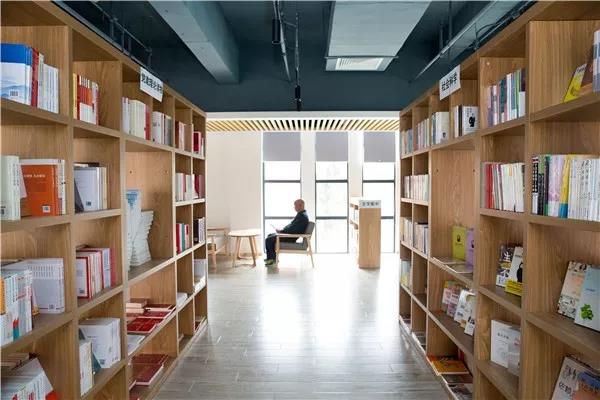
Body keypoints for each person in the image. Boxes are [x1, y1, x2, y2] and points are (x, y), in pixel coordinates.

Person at [264, 199, 309, 266]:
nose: (294, 207)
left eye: (295, 205)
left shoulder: (302, 216)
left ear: (300, 205)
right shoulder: (301, 214)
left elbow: (294, 229)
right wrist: (282, 230)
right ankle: (272, 258)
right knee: (270, 235)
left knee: (268, 240)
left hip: (290, 237)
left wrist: (282, 231)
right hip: (289, 234)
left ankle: (272, 260)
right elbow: (292, 226)